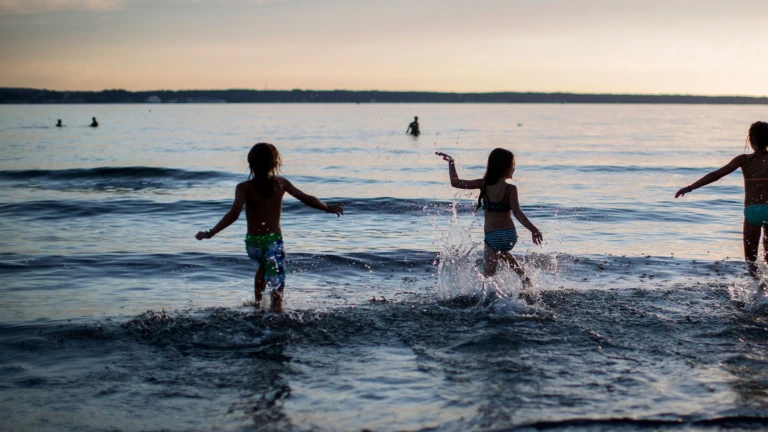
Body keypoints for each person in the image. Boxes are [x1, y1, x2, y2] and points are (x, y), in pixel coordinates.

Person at [195, 143, 344, 312]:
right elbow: (306, 198)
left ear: (250, 164)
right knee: (277, 288)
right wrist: (327, 207)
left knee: (263, 266)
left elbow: (233, 214)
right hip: (273, 242)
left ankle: (258, 305)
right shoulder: (280, 183)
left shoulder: (244, 187)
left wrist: (210, 233)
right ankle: (276, 314)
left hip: (252, 243)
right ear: (275, 164)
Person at [436, 148, 543, 285]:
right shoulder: (511, 189)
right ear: (506, 168)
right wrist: (533, 229)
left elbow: (455, 182)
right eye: (513, 166)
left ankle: (490, 299)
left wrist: (451, 163)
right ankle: (523, 277)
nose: (514, 169)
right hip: (510, 236)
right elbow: (517, 213)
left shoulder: (484, 184)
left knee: (489, 278)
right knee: (503, 252)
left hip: (492, 237)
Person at [675, 121, 768, 278]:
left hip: (752, 212)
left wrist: (690, 187)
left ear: (750, 140)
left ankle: (757, 292)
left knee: (751, 262)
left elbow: (716, 175)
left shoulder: (744, 160)